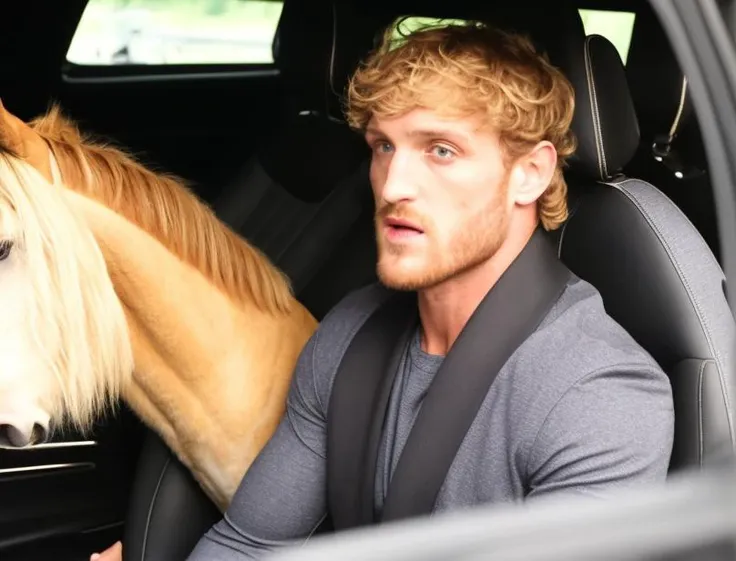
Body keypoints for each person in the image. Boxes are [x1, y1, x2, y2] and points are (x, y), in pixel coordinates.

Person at [92, 20, 675, 561]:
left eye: (441, 150)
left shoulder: (600, 396)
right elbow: (251, 544)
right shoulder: (350, 333)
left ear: (530, 173)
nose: (393, 185)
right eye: (383, 146)